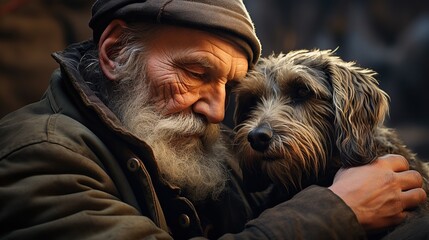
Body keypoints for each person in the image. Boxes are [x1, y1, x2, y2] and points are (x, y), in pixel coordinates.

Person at [0, 0, 426, 239]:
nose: (219, 113)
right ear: (113, 53)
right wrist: (339, 210)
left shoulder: (178, 145)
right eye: (196, 73)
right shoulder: (35, 157)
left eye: (228, 86)